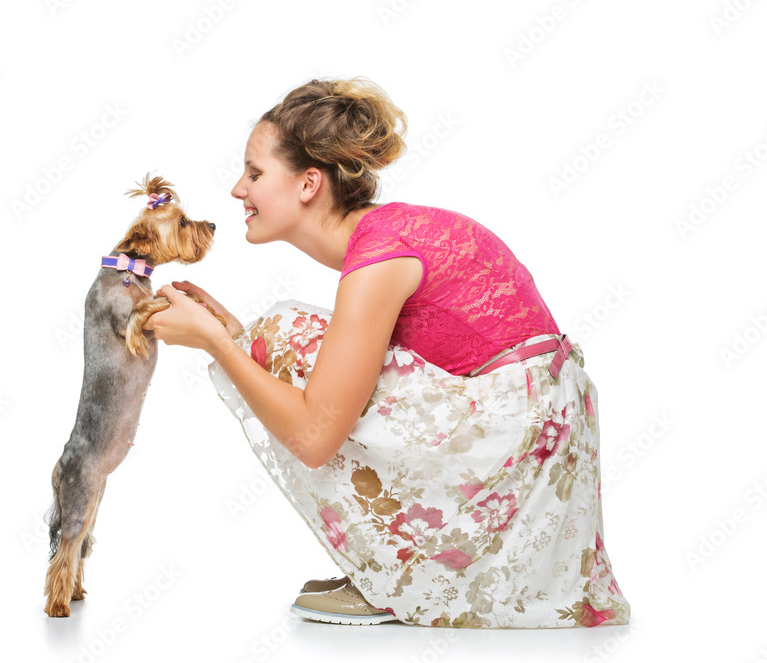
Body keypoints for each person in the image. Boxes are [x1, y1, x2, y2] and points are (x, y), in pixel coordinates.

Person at [143, 77, 631, 629]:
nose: (238, 189)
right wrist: (233, 336)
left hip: (522, 442)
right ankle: (403, 568)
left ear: (308, 184)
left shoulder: (379, 257)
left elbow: (314, 436)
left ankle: (400, 577)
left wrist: (214, 342)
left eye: (254, 173)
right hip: (527, 426)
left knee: (282, 329)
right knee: (272, 335)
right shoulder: (383, 239)